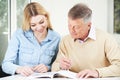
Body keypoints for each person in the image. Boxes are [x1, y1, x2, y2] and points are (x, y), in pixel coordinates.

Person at [52, 3, 120, 78]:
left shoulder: (106, 39)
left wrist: (97, 72)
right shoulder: (65, 40)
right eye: (69, 25)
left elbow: (118, 66)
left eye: (76, 27)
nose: (71, 30)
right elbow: (54, 67)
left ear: (89, 25)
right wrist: (60, 66)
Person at [2, 2, 60, 76]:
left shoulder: (56, 38)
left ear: (46, 17)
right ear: (28, 24)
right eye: (33, 25)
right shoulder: (19, 35)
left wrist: (47, 67)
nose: (39, 28)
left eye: (41, 22)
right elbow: (6, 64)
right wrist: (19, 69)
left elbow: (57, 64)